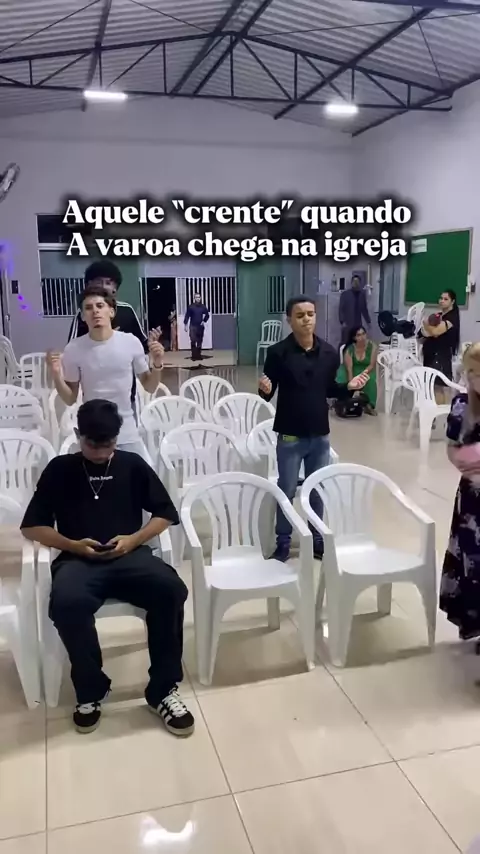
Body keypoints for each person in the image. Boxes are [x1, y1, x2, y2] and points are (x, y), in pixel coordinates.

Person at [21, 399, 194, 736]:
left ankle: (163, 689)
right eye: (93, 445)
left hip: (130, 556)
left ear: (118, 437)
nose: (101, 453)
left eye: (109, 445)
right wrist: (73, 545)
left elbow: (164, 513)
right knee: (66, 604)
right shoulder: (60, 469)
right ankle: (90, 691)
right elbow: (32, 527)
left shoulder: (132, 465)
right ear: (78, 435)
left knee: (171, 590)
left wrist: (134, 539)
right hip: (78, 560)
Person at [258, 295, 358, 562]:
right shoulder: (278, 353)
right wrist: (263, 389)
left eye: (310, 314)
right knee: (287, 489)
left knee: (317, 489)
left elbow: (329, 389)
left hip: (320, 435)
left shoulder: (328, 353)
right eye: (300, 315)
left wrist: (348, 388)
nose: (306, 320)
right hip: (290, 436)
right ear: (289, 320)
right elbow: (267, 393)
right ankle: (283, 541)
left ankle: (317, 539)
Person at [47, 285, 164, 458]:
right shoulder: (74, 349)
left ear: (111, 311)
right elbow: (70, 398)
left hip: (126, 429)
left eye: (100, 306)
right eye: (88, 308)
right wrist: (56, 374)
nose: (95, 311)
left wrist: (158, 364)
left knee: (144, 472)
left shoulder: (130, 342)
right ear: (83, 316)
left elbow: (150, 386)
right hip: (93, 433)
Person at [440, 343, 480, 642]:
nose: (475, 378)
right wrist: (464, 459)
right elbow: (453, 448)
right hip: (472, 500)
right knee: (474, 564)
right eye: (472, 372)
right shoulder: (462, 404)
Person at [68, 260, 147, 347]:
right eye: (99, 282)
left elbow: (142, 342)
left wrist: (152, 343)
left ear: (115, 288)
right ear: (89, 285)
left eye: (108, 283)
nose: (103, 287)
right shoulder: (83, 313)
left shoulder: (127, 310)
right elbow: (73, 346)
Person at [421, 289, 460, 403]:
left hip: (440, 357)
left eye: (446, 299)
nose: (442, 301)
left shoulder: (451, 318)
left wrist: (426, 324)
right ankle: (433, 411)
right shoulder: (441, 315)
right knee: (432, 387)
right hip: (432, 355)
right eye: (441, 298)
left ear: (452, 301)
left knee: (438, 387)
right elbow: (429, 331)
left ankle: (440, 413)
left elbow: (435, 332)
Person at [336, 325, 378, 415]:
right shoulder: (350, 349)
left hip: (366, 369)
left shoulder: (372, 346)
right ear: (354, 337)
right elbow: (349, 368)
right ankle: (344, 401)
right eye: (358, 335)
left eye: (363, 334)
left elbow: (371, 365)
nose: (362, 337)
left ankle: (369, 405)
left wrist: (362, 374)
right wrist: (353, 386)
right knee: (343, 378)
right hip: (351, 369)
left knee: (370, 379)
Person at [338, 275, 371, 346]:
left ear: (360, 283)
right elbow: (341, 309)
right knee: (345, 344)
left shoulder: (362, 295)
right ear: (351, 283)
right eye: (354, 281)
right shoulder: (345, 294)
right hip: (347, 325)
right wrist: (342, 321)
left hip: (358, 324)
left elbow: (364, 309)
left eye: (357, 281)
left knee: (357, 343)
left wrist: (368, 321)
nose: (356, 283)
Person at [184, 293, 209, 361]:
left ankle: (198, 355)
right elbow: (187, 316)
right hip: (193, 326)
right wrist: (185, 325)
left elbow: (207, 315)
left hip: (200, 327)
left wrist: (204, 321)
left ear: (200, 298)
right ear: (194, 298)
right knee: (193, 340)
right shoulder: (191, 307)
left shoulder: (203, 307)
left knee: (199, 341)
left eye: (199, 297)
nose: (198, 298)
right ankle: (194, 355)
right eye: (196, 297)